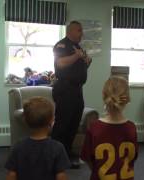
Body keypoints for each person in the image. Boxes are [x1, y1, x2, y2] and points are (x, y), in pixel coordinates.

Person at [80, 76, 138, 180]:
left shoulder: (95, 128)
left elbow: (88, 159)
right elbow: (132, 158)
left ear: (104, 96)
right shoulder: (131, 128)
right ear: (127, 99)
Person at [51, 20, 92, 168]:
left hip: (76, 90)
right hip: (65, 89)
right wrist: (76, 57)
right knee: (63, 123)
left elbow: (79, 66)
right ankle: (54, 156)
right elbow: (60, 63)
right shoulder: (61, 45)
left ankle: (66, 153)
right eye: (79, 30)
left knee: (73, 123)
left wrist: (87, 61)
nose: (82, 33)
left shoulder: (78, 47)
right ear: (71, 31)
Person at [5, 97, 70, 180]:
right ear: (51, 121)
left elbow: (11, 175)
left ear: (26, 121)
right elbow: (61, 176)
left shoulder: (18, 146)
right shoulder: (58, 148)